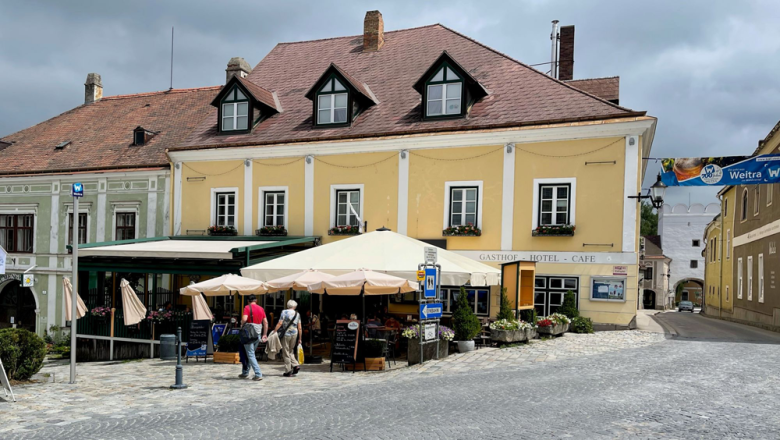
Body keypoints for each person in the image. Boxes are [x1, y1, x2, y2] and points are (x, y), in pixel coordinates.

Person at [239, 295, 268, 381]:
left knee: (250, 354)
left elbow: (245, 318)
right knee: (250, 353)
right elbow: (265, 322)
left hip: (249, 334)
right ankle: (245, 372)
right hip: (258, 334)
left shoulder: (247, 307)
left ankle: (258, 374)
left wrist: (241, 324)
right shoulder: (261, 308)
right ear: (256, 300)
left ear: (248, 301)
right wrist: (264, 334)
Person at [273, 300, 302, 377]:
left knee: (285, 351)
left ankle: (288, 371)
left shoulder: (284, 312)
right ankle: (295, 365)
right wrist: (300, 338)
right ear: (295, 306)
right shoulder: (297, 314)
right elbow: (300, 328)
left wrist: (274, 331)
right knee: (291, 350)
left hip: (286, 334)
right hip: (295, 333)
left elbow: (280, 323)